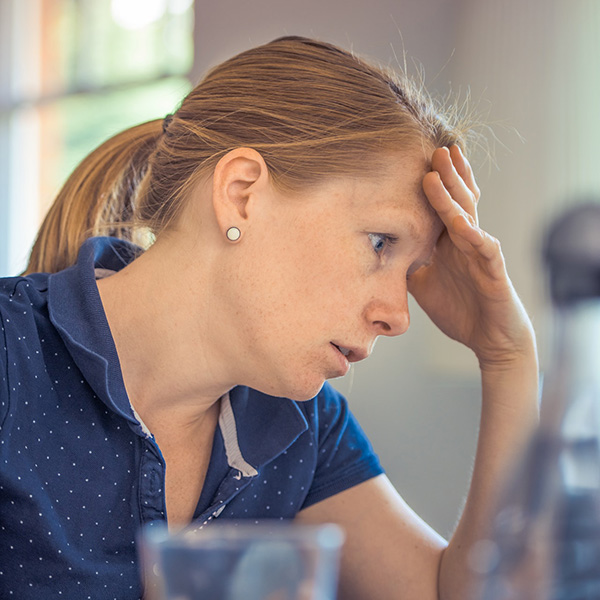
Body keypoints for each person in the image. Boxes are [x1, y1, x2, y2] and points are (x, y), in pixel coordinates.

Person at [0, 35, 538, 599]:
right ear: (241, 194)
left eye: (411, 271)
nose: (397, 317)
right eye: (380, 243)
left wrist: (507, 357)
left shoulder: (301, 425)